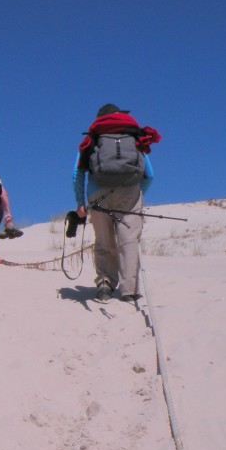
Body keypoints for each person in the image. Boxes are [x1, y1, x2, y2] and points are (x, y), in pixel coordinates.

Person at [74, 103, 158, 302]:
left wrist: (80, 202)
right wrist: (137, 194)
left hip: (98, 195)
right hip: (129, 193)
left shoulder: (93, 138)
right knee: (128, 240)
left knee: (104, 241)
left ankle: (105, 283)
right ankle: (128, 290)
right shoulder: (133, 137)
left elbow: (77, 172)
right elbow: (150, 175)